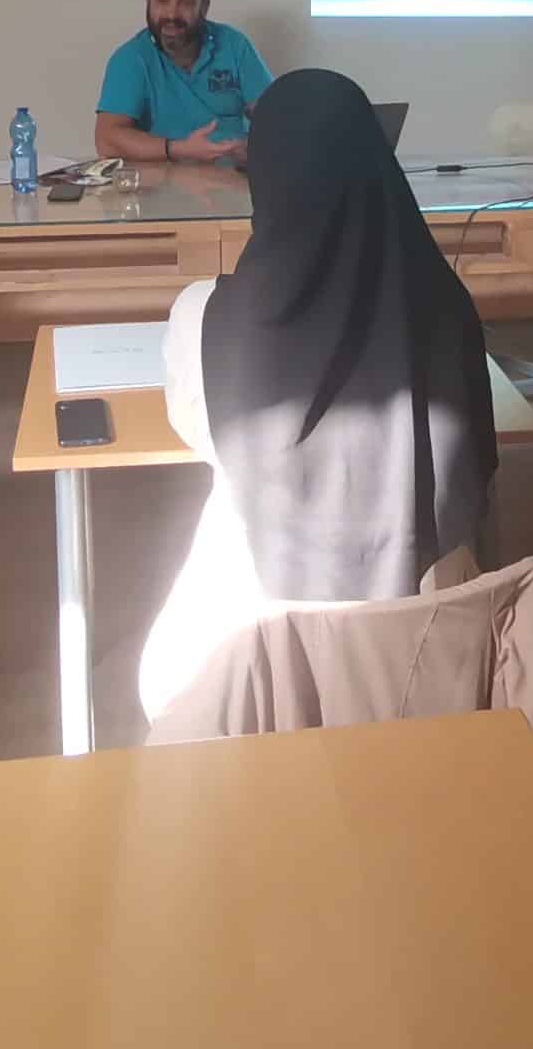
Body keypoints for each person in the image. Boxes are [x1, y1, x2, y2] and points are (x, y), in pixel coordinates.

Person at [137, 69, 496, 721]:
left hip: (259, 663)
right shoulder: (451, 309)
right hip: (430, 660)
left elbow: (198, 435)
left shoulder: (203, 316)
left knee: (160, 683)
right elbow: (477, 473)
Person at [94, 0, 273, 167]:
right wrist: (177, 149)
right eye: (162, 1)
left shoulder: (234, 45)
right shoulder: (130, 58)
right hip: (164, 179)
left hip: (234, 175)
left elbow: (275, 115)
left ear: (204, 7)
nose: (172, 14)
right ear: (148, 1)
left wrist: (256, 146)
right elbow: (107, 140)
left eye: (185, 3)